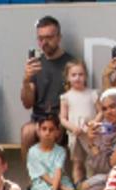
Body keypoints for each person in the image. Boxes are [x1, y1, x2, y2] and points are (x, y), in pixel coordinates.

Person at [20, 16, 72, 149]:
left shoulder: (71, 64)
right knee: (27, 132)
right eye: (41, 38)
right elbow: (27, 103)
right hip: (39, 119)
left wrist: (61, 121)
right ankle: (32, 170)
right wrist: (26, 80)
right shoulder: (35, 65)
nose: (44, 42)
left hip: (62, 120)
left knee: (49, 132)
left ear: (59, 38)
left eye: (49, 37)